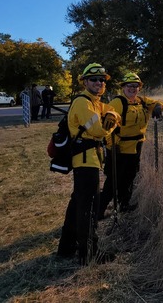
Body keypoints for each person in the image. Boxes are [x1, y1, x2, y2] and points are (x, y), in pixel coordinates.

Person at [57, 63, 120, 266]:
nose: (99, 83)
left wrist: (113, 115)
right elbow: (100, 131)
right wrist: (110, 126)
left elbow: (112, 111)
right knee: (89, 207)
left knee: (77, 203)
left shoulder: (96, 102)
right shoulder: (84, 103)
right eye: (94, 79)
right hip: (85, 160)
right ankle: (89, 253)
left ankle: (66, 248)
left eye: (102, 80)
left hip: (89, 158)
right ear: (84, 82)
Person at [98, 72, 163, 218]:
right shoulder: (117, 103)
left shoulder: (141, 101)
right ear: (123, 87)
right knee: (113, 181)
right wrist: (112, 144)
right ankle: (99, 210)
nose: (132, 89)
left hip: (136, 146)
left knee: (129, 177)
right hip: (119, 147)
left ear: (139, 88)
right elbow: (106, 125)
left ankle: (124, 204)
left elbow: (157, 102)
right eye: (129, 86)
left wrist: (159, 106)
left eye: (136, 86)